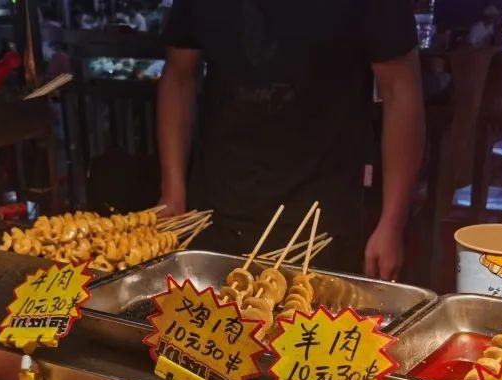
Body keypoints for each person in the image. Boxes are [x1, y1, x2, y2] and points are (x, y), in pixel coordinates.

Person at [156, 1, 425, 280]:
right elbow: (178, 75)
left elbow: (400, 89)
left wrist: (392, 223)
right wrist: (173, 190)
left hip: (319, 221)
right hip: (213, 211)